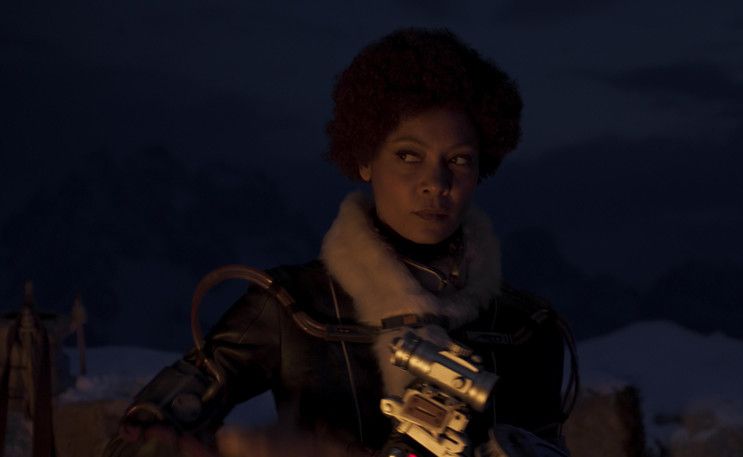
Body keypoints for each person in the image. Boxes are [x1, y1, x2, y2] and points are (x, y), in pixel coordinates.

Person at [102, 28, 575, 457]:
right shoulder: (290, 307)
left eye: (459, 160)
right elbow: (140, 439)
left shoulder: (526, 329)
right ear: (365, 159)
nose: (436, 182)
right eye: (408, 155)